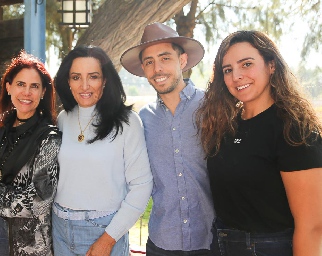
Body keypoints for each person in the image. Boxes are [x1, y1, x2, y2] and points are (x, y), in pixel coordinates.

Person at [196, 30, 322, 256]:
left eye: (246, 64)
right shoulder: (226, 126)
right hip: (220, 245)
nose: (236, 76)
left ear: (271, 65)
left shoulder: (294, 130)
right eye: (228, 70)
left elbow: (312, 227)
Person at [120, 22, 215, 255]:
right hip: (162, 243)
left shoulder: (212, 108)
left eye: (165, 58)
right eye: (149, 62)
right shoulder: (142, 120)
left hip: (212, 242)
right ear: (143, 69)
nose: (157, 69)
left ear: (182, 61)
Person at [52, 45, 153, 256]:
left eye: (93, 76)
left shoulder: (127, 122)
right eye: (76, 77)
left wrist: (109, 239)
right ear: (67, 81)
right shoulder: (63, 118)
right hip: (60, 227)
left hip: (104, 230)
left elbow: (142, 186)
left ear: (105, 80)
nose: (84, 85)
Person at [0, 50, 61, 256]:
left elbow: (38, 202)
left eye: (34, 86)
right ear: (8, 87)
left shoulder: (49, 138)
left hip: (30, 242)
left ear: (43, 92)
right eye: (20, 84)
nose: (27, 92)